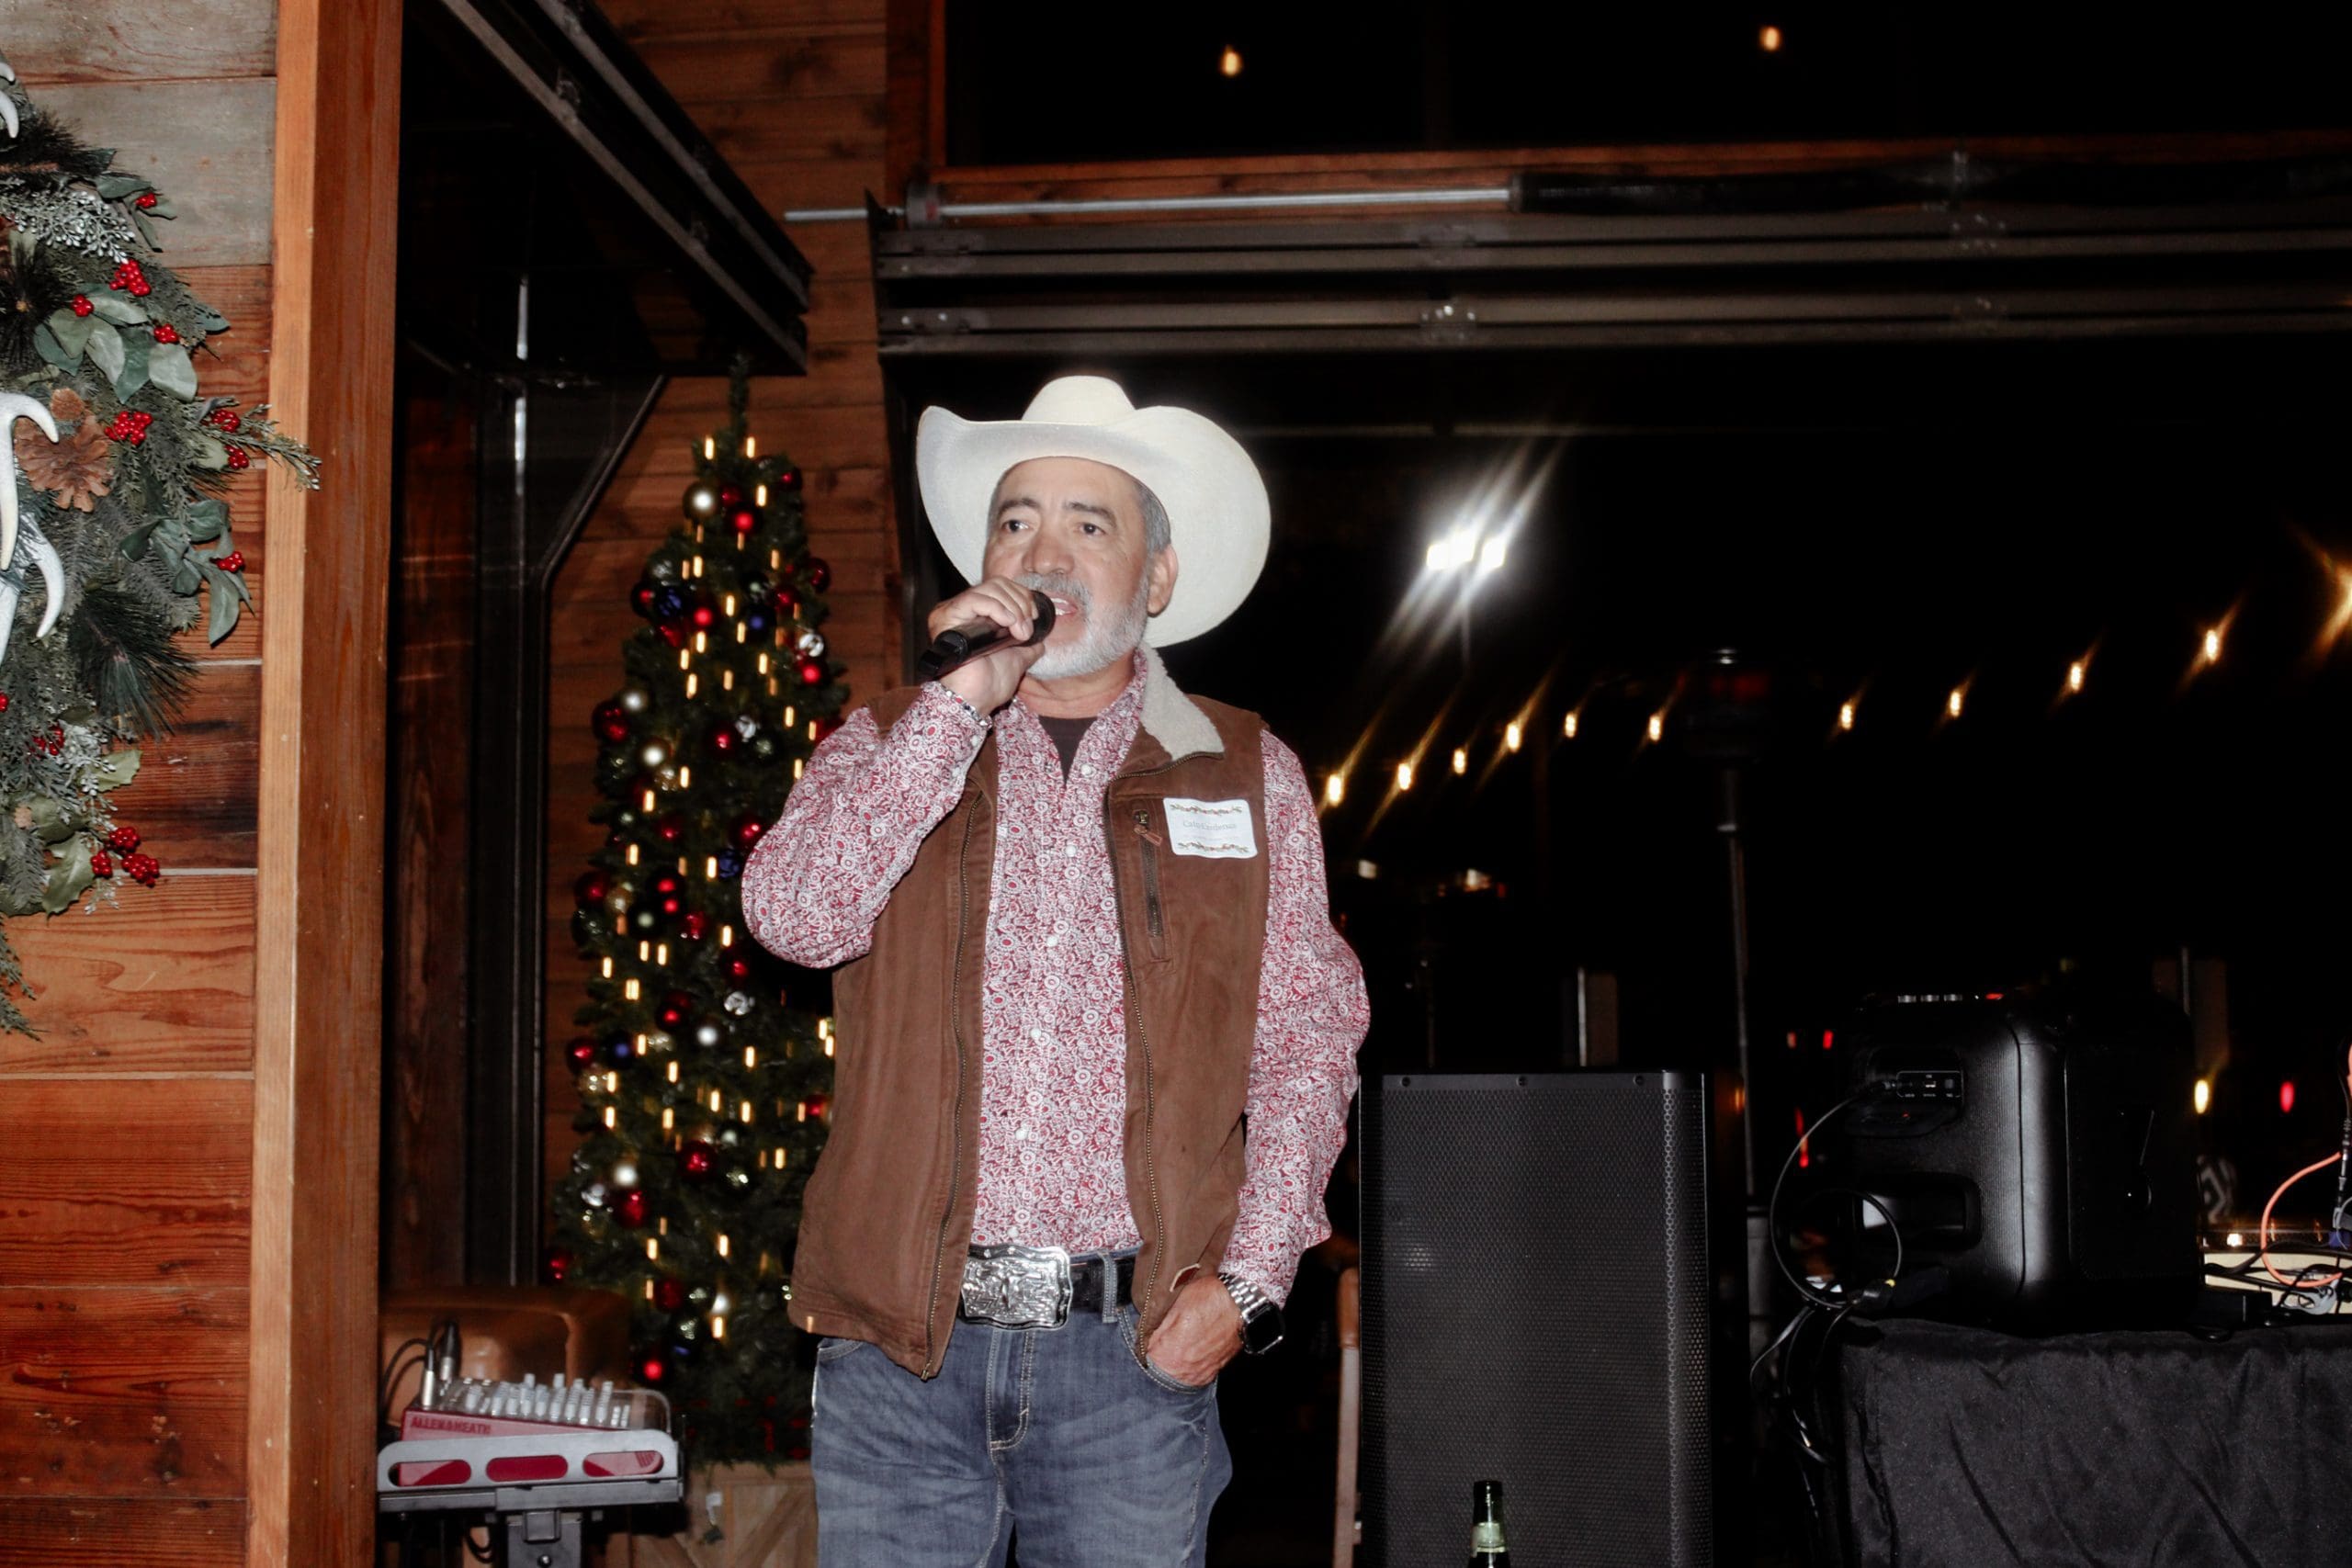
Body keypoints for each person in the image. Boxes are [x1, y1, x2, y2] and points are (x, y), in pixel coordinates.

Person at [741, 374, 1368, 1567]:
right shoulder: (885, 744)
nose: (1047, 550)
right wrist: (959, 702)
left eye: (1092, 523)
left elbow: (1305, 1035)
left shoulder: (1242, 771)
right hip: (898, 1356)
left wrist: (1246, 1286)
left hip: (1127, 1363)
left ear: (1159, 578)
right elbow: (793, 918)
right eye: (1018, 519)